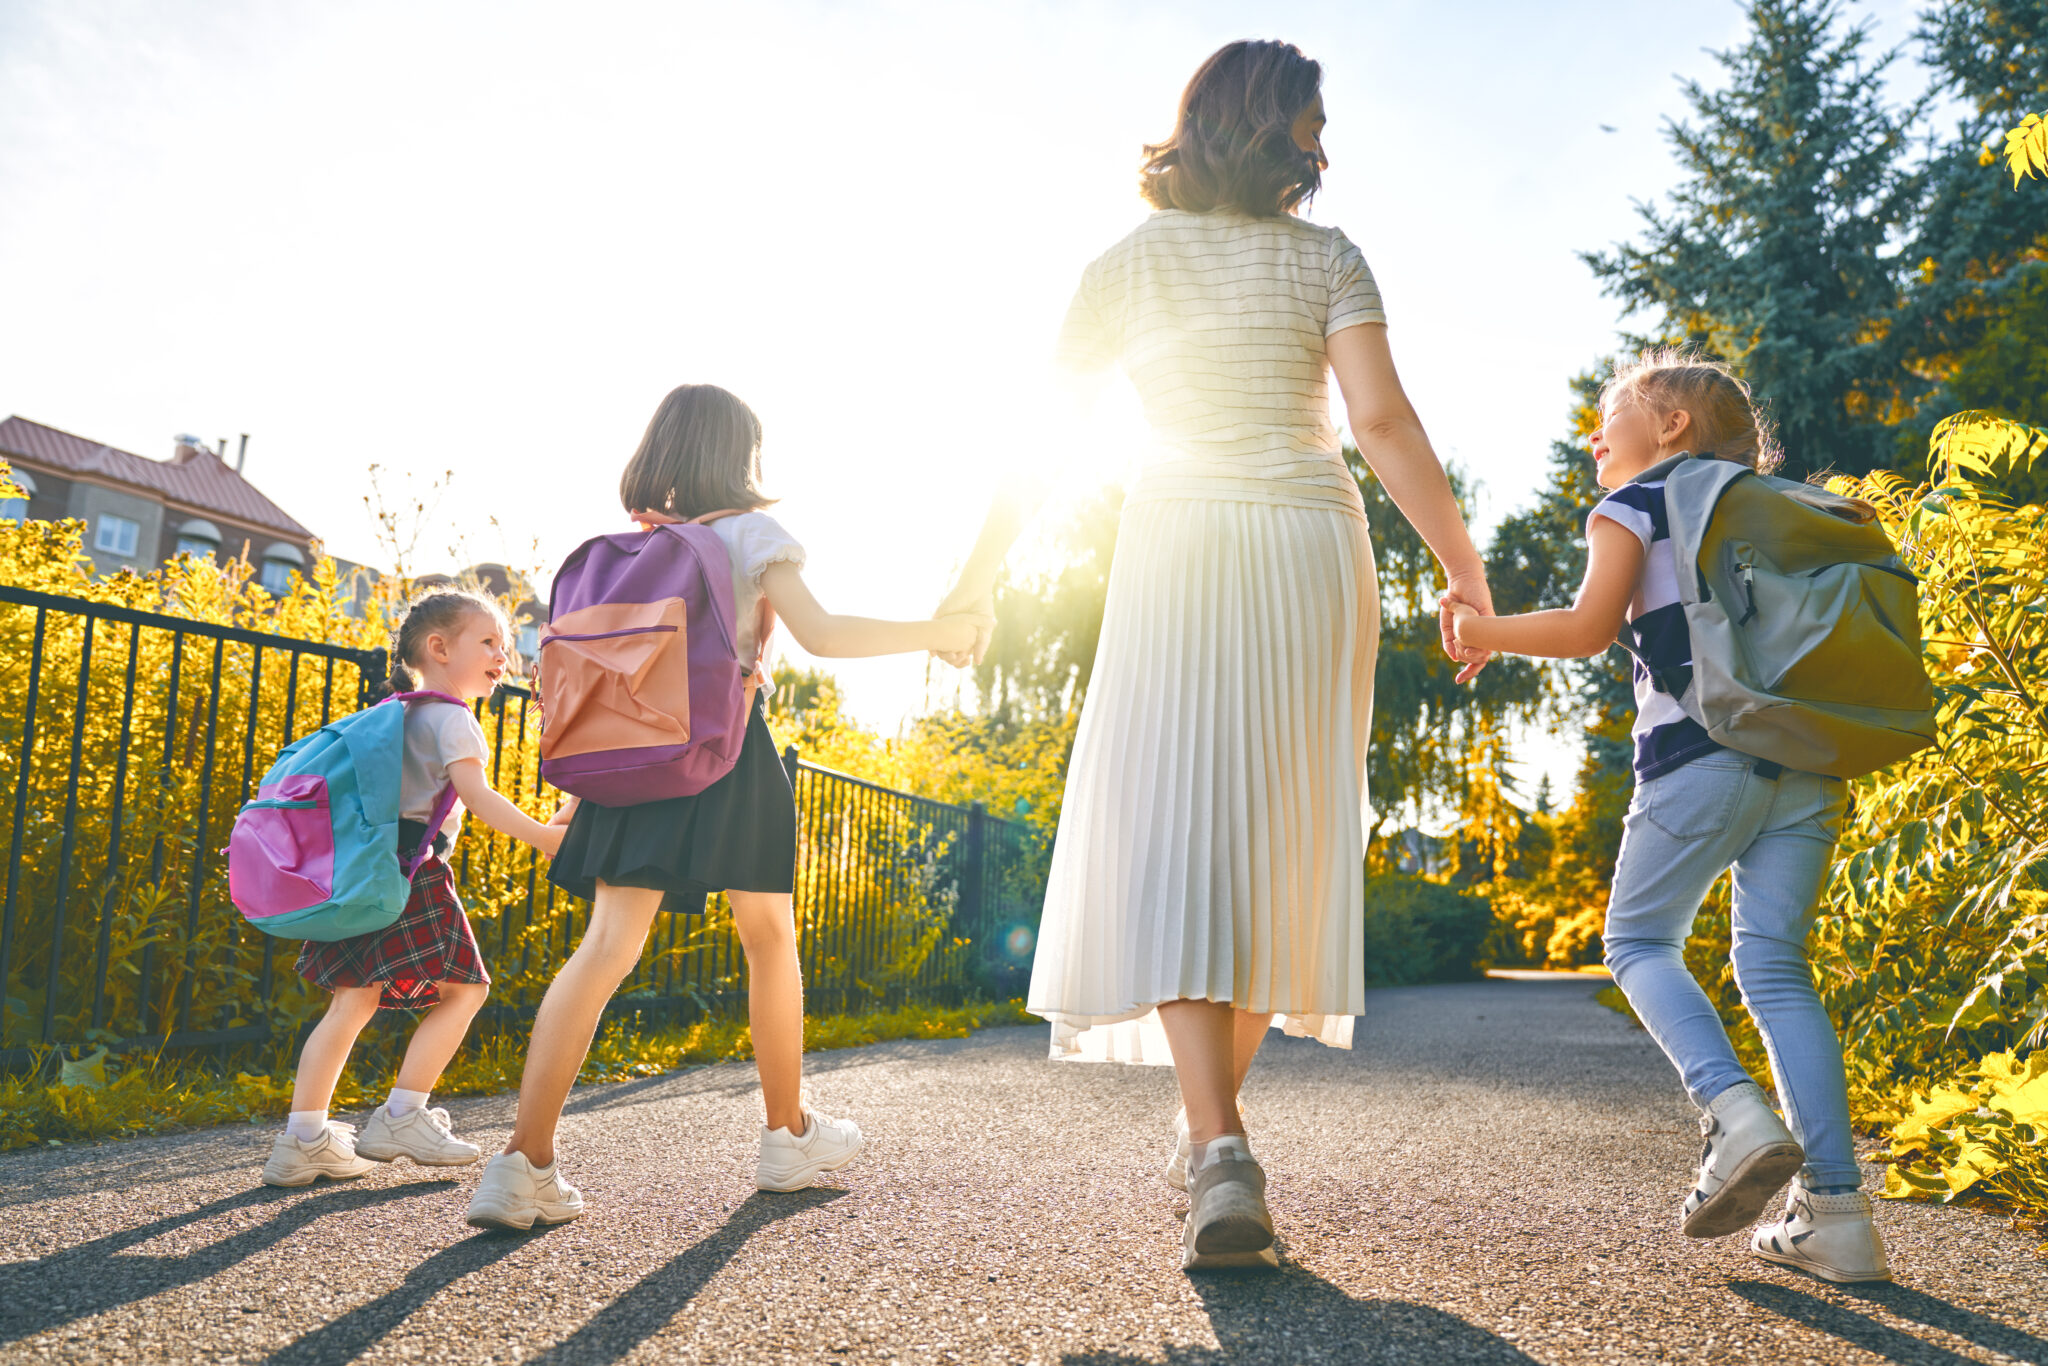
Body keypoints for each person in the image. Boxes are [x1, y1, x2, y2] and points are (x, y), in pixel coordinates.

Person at [934, 41, 1493, 1270]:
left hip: (1176, 540)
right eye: (1308, 125)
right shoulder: (1327, 260)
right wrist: (1461, 567)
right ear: (1263, 130)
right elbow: (1382, 424)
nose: (1320, 151)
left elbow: (1041, 445)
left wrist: (970, 586)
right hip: (1308, 539)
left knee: (1184, 828)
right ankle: (1212, 1137)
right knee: (1284, 834)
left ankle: (1215, 1141)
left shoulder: (1121, 266)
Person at [465, 383, 989, 1230]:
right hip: (725, 751)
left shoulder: (629, 551)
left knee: (603, 950)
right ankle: (787, 1136)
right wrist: (937, 631)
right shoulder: (753, 535)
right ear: (741, 455)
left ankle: (520, 1166)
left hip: (632, 753)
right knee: (769, 939)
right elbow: (821, 635)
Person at [1444, 350, 1890, 1284]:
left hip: (1699, 757)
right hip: (1806, 764)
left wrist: (1481, 631)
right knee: (1775, 972)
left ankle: (1732, 1111)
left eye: (1612, 413)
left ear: (1672, 424)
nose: (1594, 435)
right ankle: (1840, 1218)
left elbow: (1586, 628)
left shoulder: (1639, 503)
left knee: (1638, 942)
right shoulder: (1775, 507)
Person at [263, 589, 571, 1187]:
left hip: (364, 868)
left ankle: (303, 1138)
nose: (502, 656)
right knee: (466, 991)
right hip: (413, 872)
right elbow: (478, 800)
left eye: (504, 646)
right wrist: (542, 836)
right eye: (488, 642)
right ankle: (404, 1113)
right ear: (438, 647)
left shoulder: (400, 711)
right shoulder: (453, 717)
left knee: (352, 1001)